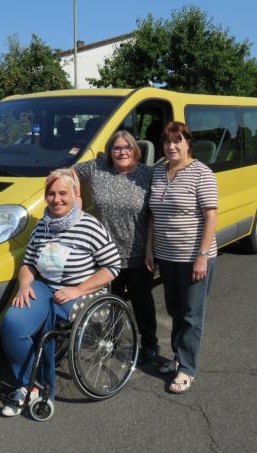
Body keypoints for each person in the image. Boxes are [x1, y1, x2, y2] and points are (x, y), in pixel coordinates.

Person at [0, 168, 121, 416]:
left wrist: (78, 289)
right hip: (44, 287)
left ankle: (38, 385)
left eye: (63, 193)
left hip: (82, 291)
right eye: (51, 193)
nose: (56, 199)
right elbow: (29, 264)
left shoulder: (90, 226)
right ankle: (28, 386)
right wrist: (24, 285)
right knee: (13, 322)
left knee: (47, 324)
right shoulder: (42, 226)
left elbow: (112, 266)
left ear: (75, 194)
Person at [73, 130, 159, 364]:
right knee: (110, 301)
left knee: (142, 302)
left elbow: (153, 215)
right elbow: (68, 172)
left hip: (137, 253)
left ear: (135, 150)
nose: (122, 152)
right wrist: (77, 198)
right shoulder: (97, 169)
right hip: (105, 255)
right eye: (117, 148)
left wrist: (151, 249)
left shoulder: (147, 174)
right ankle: (111, 341)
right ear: (110, 151)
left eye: (127, 147)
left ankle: (150, 344)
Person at [146, 121, 218, 394]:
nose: (171, 146)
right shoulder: (158, 172)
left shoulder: (202, 174)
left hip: (194, 257)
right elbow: (153, 215)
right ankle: (178, 358)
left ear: (188, 143)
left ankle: (187, 369)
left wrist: (201, 256)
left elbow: (211, 216)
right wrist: (150, 248)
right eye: (166, 141)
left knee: (191, 314)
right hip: (166, 257)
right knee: (175, 310)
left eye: (177, 141)